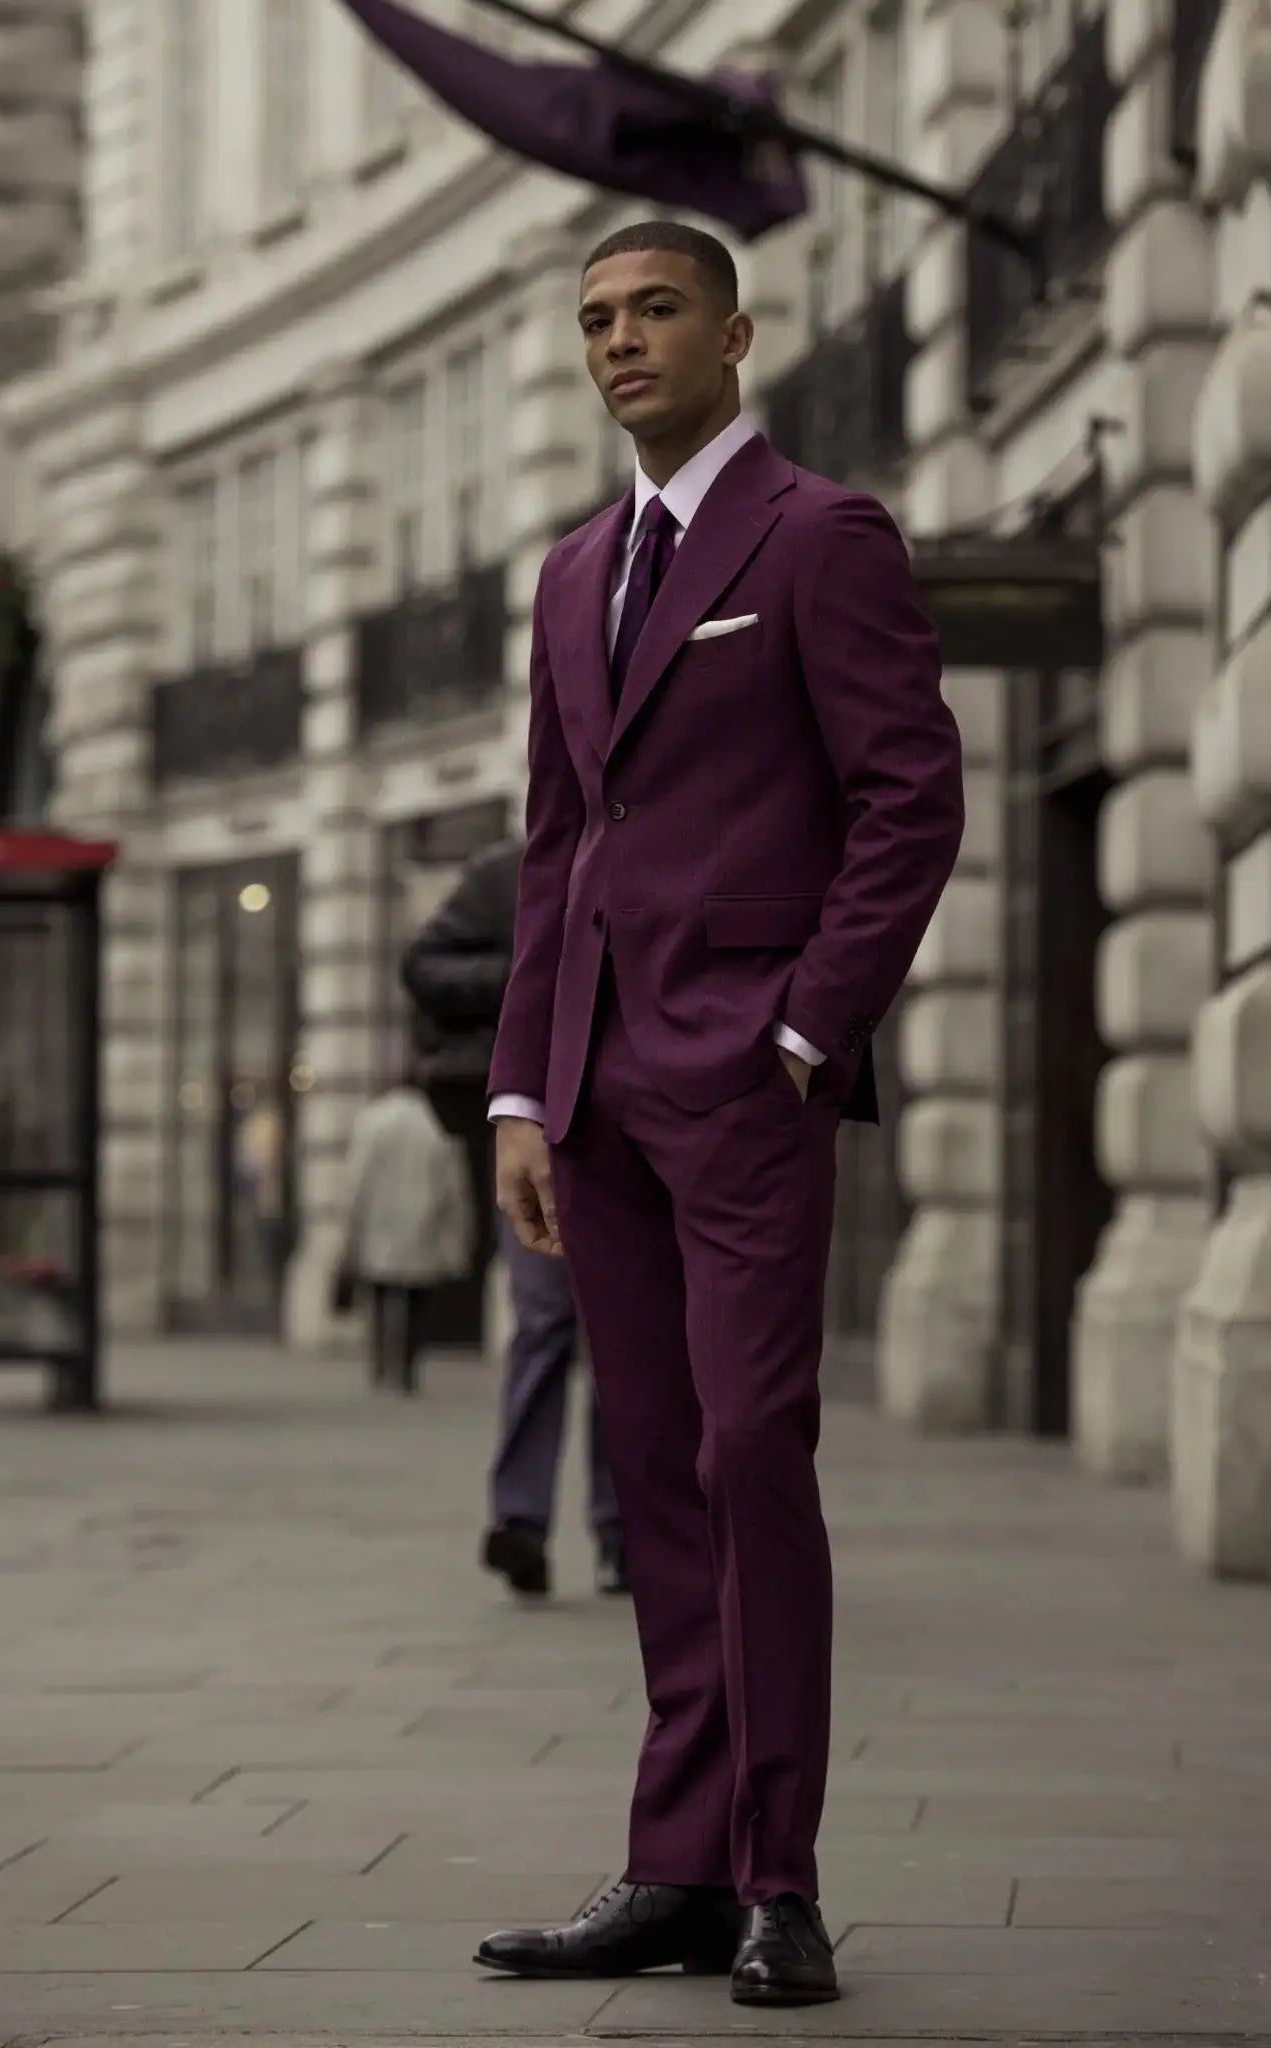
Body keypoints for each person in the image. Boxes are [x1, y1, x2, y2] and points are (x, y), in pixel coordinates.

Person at [476, 222, 964, 2008]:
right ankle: (675, 1861)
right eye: (596, 318)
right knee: (657, 1476)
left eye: (655, 309)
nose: (620, 340)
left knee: (755, 1457)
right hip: (597, 1094)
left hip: (746, 1080)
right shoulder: (570, 570)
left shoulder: (819, 535)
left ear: (737, 333)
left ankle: (780, 1877)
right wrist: (524, 1084)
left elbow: (910, 800)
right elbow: (558, 849)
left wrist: (806, 1032)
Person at [402, 839, 627, 1598]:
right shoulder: (508, 873)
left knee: (624, 1340)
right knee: (541, 1323)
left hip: (641, 1133)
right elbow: (424, 966)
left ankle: (622, 1533)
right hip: (542, 1139)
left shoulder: (665, 853)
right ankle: (521, 1521)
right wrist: (534, 977)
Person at [340, 1066, 473, 1393]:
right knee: (415, 1301)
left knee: (379, 1294)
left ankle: (380, 1362)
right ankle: (407, 1368)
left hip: (379, 1225)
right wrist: (456, 1235)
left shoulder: (372, 1121)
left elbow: (356, 1180)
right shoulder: (434, 1127)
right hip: (420, 1228)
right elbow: (453, 1189)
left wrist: (350, 1224)